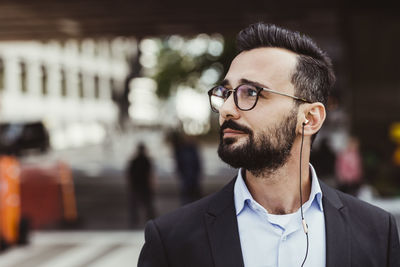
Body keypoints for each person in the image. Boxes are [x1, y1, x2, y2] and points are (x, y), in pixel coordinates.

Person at [138, 23, 400, 266]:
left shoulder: (377, 232)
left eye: (251, 92)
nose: (227, 109)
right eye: (226, 93)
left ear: (309, 118)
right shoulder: (172, 241)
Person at [126, 142, 155, 228]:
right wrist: (151, 184)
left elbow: (129, 174)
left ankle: (135, 221)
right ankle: (150, 221)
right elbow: (150, 175)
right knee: (146, 204)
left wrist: (130, 185)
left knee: (136, 205)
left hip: (137, 185)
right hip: (142, 186)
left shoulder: (135, 161)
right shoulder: (145, 160)